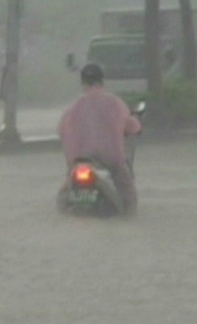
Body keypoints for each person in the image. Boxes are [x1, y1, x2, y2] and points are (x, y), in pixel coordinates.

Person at [58, 62, 142, 215]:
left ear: (82, 83)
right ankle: (129, 216)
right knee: (126, 189)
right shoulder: (115, 103)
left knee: (63, 194)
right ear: (102, 81)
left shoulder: (71, 108)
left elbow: (61, 130)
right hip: (110, 160)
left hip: (78, 162)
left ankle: (61, 211)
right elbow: (133, 127)